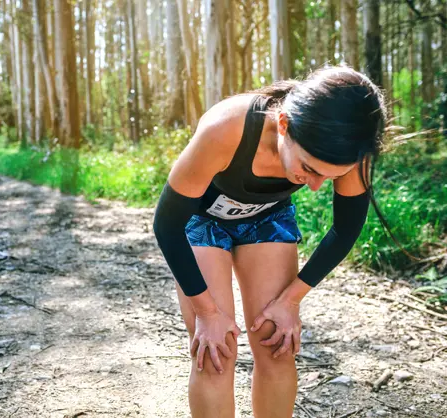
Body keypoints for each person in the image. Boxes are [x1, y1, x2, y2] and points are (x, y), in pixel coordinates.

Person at [153, 65, 388, 418]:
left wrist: (291, 301)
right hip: (199, 219)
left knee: (277, 345)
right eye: (309, 168)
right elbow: (167, 225)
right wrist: (207, 312)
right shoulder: (227, 128)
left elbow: (346, 229)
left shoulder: (351, 149)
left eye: (331, 176)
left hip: (267, 218)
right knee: (215, 353)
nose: (315, 186)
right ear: (283, 126)